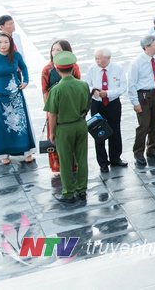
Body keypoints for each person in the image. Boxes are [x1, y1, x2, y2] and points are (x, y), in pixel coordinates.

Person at [43, 51, 90, 203]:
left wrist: (52, 133)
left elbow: (53, 115)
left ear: (57, 70)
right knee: (82, 158)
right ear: (72, 68)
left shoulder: (56, 90)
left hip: (64, 128)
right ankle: (82, 189)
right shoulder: (83, 85)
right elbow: (87, 106)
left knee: (65, 161)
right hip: (81, 124)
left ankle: (68, 192)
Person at [0, 32, 34, 164]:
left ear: (10, 44)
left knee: (21, 124)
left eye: (6, 42)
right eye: (0, 42)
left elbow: (24, 67)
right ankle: (4, 153)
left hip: (16, 94)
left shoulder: (15, 56)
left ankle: (26, 151)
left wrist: (26, 81)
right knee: (2, 125)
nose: (3, 45)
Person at [127, 35, 155, 167]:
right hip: (143, 95)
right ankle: (138, 152)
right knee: (144, 124)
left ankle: (152, 148)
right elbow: (132, 84)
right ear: (147, 47)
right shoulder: (137, 62)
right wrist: (135, 103)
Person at [85, 48, 127, 171]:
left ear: (108, 58)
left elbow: (123, 87)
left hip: (112, 102)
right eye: (96, 58)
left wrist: (108, 93)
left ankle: (115, 158)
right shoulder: (92, 69)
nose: (97, 61)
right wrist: (94, 90)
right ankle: (102, 162)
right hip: (97, 104)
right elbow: (86, 85)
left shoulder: (117, 69)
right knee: (98, 131)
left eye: (99, 58)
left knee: (115, 130)